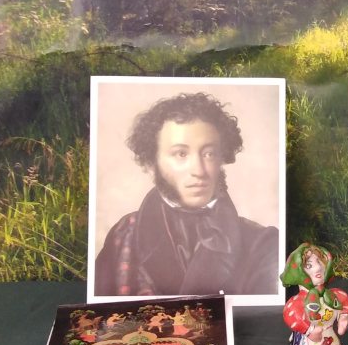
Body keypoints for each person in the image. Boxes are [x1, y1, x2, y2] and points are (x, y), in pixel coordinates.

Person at [94, 90, 279, 298]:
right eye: (181, 154)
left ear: (221, 158)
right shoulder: (124, 235)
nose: (198, 170)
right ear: (151, 162)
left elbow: (262, 314)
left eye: (208, 154)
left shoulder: (261, 242)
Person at [281, 243, 348, 345]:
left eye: (320, 262)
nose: (318, 268)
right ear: (298, 272)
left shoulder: (334, 295)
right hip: (309, 341)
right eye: (309, 265)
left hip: (329, 337)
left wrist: (343, 317)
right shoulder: (298, 302)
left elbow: (343, 300)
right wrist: (309, 330)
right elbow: (291, 314)